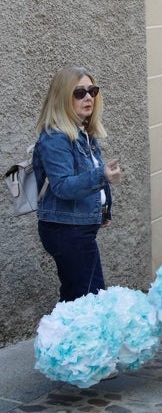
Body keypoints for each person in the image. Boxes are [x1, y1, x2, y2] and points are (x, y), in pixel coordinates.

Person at [33, 66, 122, 303]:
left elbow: (88, 179)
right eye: (79, 93)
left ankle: (64, 338)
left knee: (80, 298)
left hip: (78, 226)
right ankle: (64, 339)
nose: (88, 97)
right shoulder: (56, 137)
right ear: (63, 97)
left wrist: (103, 210)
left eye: (92, 90)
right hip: (66, 229)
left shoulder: (83, 132)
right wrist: (102, 176)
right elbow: (63, 186)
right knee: (86, 300)